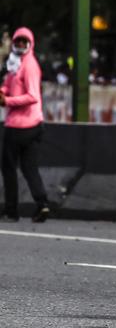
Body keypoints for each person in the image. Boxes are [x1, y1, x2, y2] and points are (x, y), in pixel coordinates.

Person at [0, 27, 49, 223]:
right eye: (17, 41)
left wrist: (7, 102)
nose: (20, 45)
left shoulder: (29, 65)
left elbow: (33, 96)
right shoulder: (15, 63)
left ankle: (11, 211)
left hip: (20, 126)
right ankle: (42, 204)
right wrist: (3, 91)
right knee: (29, 167)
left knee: (8, 167)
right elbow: (10, 85)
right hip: (33, 125)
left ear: (30, 43)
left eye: (23, 42)